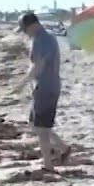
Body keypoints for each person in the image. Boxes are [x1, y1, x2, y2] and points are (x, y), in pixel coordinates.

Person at [14, 12, 69, 170]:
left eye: (25, 30)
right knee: (35, 124)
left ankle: (48, 165)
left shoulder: (41, 40)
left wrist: (22, 83)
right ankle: (63, 148)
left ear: (32, 26)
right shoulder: (46, 38)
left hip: (46, 88)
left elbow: (38, 66)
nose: (25, 33)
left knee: (42, 129)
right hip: (46, 87)